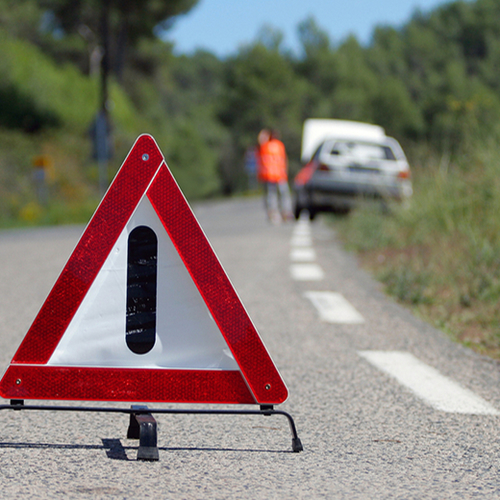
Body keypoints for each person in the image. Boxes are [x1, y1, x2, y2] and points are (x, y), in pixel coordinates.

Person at [257, 128, 293, 223]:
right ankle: (279, 212)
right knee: (277, 194)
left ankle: (281, 212)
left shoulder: (269, 145)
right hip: (274, 174)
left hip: (275, 174)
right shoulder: (271, 145)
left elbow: (283, 159)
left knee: (276, 194)